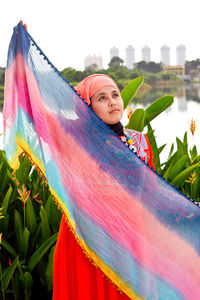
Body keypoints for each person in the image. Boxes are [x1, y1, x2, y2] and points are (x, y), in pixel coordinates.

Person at [53, 74, 154, 300]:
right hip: (86, 240)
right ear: (86, 107)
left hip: (130, 241)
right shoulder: (74, 143)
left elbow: (153, 194)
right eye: (101, 97)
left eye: (115, 95)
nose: (112, 102)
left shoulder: (140, 142)